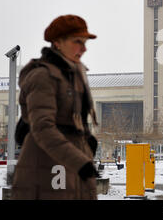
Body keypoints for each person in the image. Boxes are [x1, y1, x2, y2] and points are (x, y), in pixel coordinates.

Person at [11, 15, 100, 200]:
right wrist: (80, 161)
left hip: (69, 164)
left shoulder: (73, 75)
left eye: (85, 43)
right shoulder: (43, 77)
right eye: (77, 42)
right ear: (58, 43)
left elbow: (73, 120)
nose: (84, 49)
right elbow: (43, 128)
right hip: (47, 167)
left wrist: (87, 141)